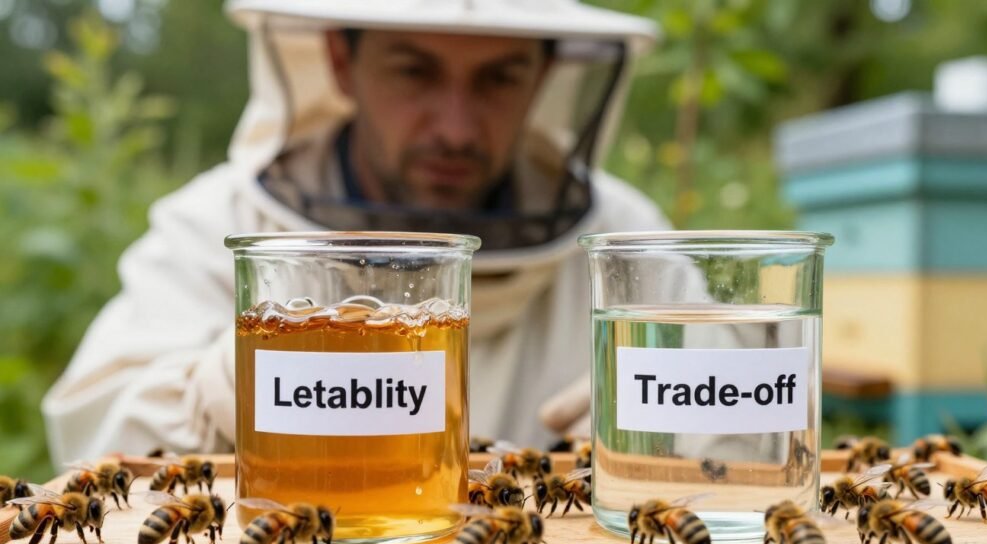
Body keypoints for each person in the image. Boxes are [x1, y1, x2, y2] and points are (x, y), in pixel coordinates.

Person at [42, 0, 670, 464]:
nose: (455, 127)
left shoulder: (628, 239)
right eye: (414, 72)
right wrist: (217, 396)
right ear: (342, 63)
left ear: (543, 75)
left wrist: (673, 419)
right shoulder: (221, 223)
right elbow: (93, 428)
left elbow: (748, 437)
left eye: (497, 79)